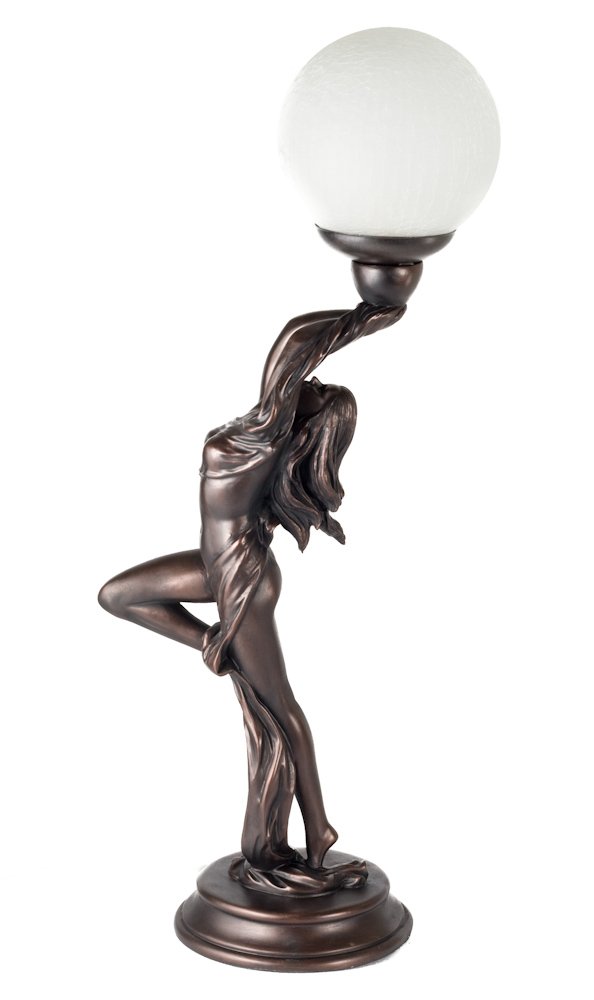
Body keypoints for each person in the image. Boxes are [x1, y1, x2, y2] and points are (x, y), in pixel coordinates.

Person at [98, 300, 404, 885]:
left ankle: (319, 827)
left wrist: (368, 315)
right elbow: (298, 353)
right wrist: (206, 639)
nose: (314, 382)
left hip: (242, 578)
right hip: (216, 567)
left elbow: (294, 342)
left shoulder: (270, 430)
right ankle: (211, 643)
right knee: (118, 595)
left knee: (281, 705)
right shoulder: (265, 430)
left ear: (308, 417)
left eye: (320, 390)